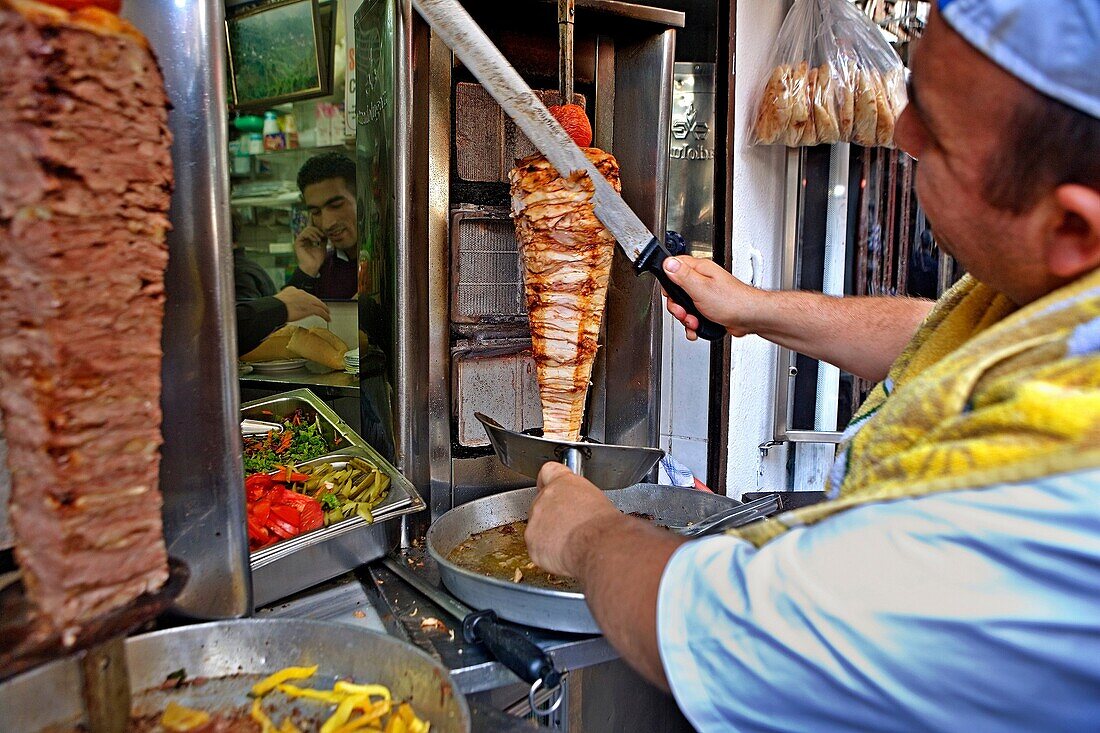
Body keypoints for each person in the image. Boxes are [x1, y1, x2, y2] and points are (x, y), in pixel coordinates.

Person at [525, 2, 1100, 731]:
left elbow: (734, 636)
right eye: (914, 94)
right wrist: (754, 306)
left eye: (939, 133)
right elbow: (939, 340)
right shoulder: (1060, 308)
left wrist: (586, 535)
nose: (902, 134)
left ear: (1072, 227)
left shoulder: (1048, 498)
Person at [232, 212, 330, 355]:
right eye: (316, 211)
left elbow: (235, 335)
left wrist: (278, 308)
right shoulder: (239, 269)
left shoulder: (238, 273)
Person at [287, 153, 360, 300]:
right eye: (316, 212)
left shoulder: (398, 262)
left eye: (336, 206)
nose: (327, 224)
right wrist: (308, 268)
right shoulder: (322, 268)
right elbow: (288, 318)